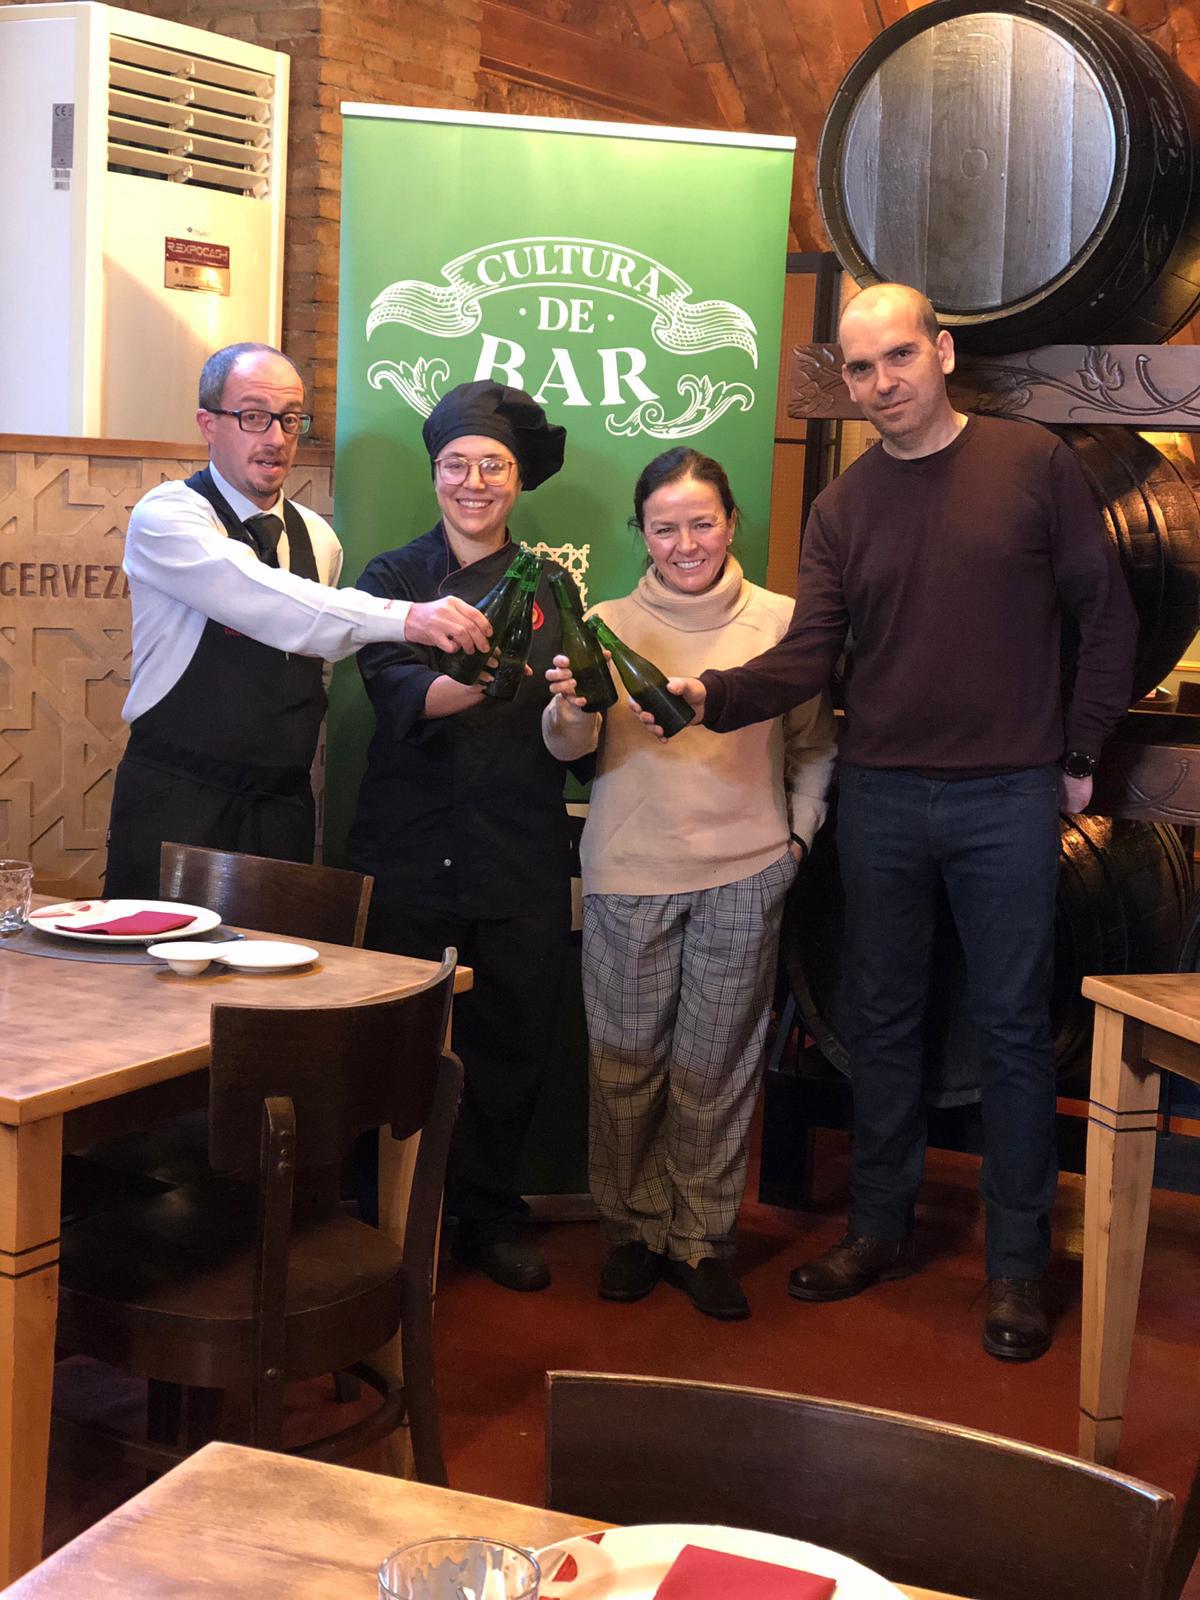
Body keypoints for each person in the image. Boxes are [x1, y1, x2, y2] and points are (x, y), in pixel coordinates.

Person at [640, 284, 1138, 1360]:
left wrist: (1080, 753)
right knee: (881, 1018)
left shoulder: (1032, 464)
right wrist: (710, 694)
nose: (881, 383)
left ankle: (1017, 1268)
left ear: (943, 352)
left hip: (1008, 793)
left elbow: (1107, 616)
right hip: (882, 794)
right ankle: (878, 1228)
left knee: (1013, 1028)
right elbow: (809, 658)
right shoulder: (843, 507)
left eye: (899, 356)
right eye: (860, 368)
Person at [543, 448, 836, 1320]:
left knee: (718, 1068)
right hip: (628, 873)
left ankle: (700, 1239)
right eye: (664, 527)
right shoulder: (603, 624)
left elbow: (815, 743)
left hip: (746, 874)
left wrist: (795, 840)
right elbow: (566, 749)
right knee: (625, 1068)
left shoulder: (782, 623)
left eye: (701, 523)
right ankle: (632, 1232)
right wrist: (566, 711)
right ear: (641, 532)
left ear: (731, 522)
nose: (684, 544)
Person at [347, 380, 583, 1293]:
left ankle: (488, 1215)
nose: (473, 483)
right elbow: (403, 695)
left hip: (518, 849)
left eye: (493, 466)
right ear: (434, 473)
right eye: (456, 465)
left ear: (517, 480)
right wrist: (495, 673)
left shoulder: (553, 585)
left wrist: (574, 707)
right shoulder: (390, 581)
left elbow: (567, 730)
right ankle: (389, 1218)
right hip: (409, 848)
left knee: (510, 1044)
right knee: (397, 1045)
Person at [105, 341, 488, 897]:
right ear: (208, 424)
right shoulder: (168, 517)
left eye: (289, 419)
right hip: (178, 795)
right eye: (253, 416)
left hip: (282, 803)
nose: (276, 437)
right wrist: (408, 617)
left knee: (275, 954)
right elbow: (267, 599)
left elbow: (316, 646)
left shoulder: (319, 538)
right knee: (155, 949)